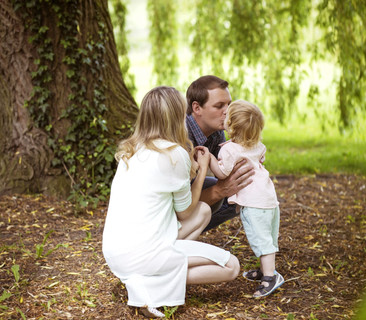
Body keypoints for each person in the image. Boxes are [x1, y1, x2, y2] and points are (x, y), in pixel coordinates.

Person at [102, 86, 240, 318]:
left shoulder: (131, 150)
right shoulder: (173, 153)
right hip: (145, 253)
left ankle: (145, 278)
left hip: (116, 253)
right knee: (231, 266)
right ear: (177, 116)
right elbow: (185, 213)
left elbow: (189, 209)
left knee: (204, 212)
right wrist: (203, 169)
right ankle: (150, 286)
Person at [208, 99, 284, 298]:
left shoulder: (229, 150)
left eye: (227, 116)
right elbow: (260, 159)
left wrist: (209, 159)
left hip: (253, 201)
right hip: (268, 197)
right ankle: (266, 269)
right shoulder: (258, 145)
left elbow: (223, 173)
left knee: (260, 238)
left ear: (231, 126)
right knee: (267, 235)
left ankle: (271, 277)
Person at [186, 75, 255, 231]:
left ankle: (189, 233)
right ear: (197, 108)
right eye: (219, 106)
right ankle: (176, 237)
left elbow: (227, 174)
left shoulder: (217, 131)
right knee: (223, 192)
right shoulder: (181, 137)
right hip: (167, 203)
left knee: (241, 191)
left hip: (188, 190)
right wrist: (219, 190)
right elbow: (176, 203)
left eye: (229, 104)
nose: (227, 112)